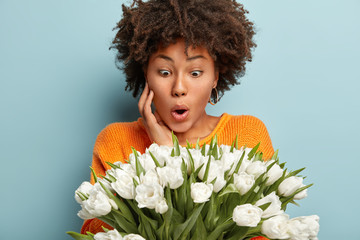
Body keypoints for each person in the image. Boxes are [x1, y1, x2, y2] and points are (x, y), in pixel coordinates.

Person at [81, 0, 274, 239]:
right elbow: (97, 231)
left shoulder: (247, 135)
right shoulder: (116, 141)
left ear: (215, 76)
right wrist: (162, 157)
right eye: (164, 72)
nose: (179, 88)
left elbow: (265, 231)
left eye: (195, 73)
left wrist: (173, 156)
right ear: (146, 75)